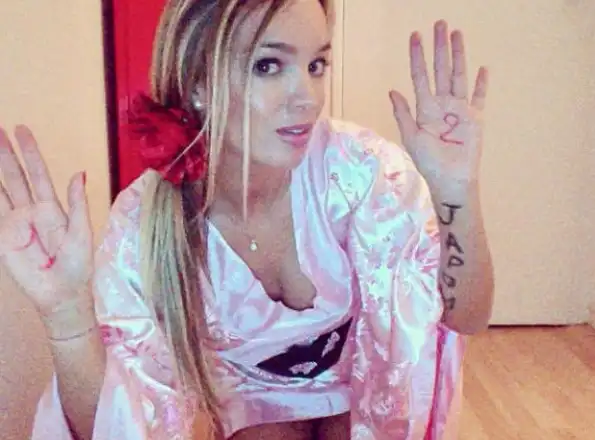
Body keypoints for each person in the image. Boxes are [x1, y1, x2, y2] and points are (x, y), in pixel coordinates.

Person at [0, 0, 494, 439]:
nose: (308, 97)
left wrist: (457, 193)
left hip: (363, 384)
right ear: (198, 83)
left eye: (316, 64)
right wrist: (67, 317)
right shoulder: (144, 224)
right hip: (251, 408)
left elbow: (463, 318)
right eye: (268, 65)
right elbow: (118, 421)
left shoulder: (360, 171)